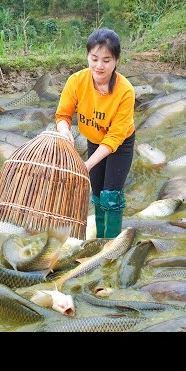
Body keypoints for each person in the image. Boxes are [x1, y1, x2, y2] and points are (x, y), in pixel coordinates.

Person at [55, 28, 135, 239]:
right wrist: (64, 132)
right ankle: (100, 239)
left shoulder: (125, 91)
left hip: (120, 144)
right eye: (94, 58)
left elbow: (114, 138)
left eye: (106, 60)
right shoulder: (76, 81)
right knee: (98, 192)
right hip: (93, 138)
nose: (99, 66)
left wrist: (87, 164)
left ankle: (112, 244)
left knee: (111, 195)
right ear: (87, 56)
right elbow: (63, 115)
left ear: (116, 60)